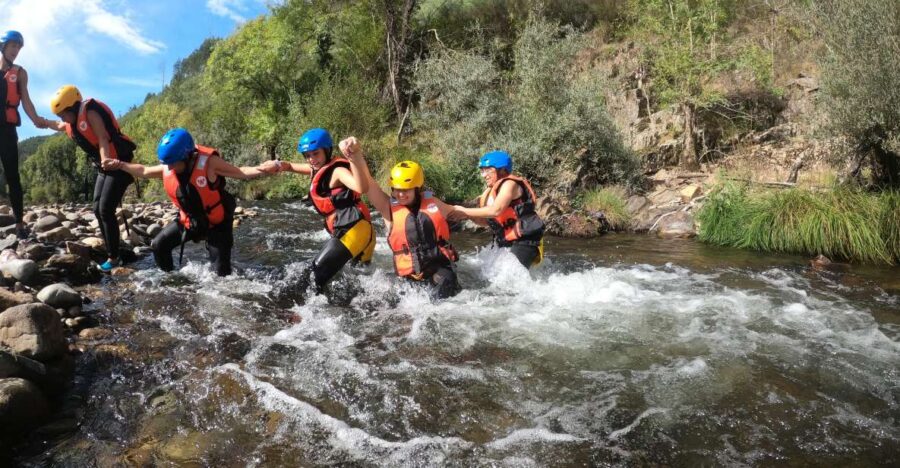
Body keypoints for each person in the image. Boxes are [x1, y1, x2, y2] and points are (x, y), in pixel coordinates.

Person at [103, 128, 270, 276]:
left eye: (173, 164)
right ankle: (170, 279)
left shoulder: (209, 163)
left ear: (188, 156)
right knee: (159, 245)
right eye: (167, 164)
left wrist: (263, 168)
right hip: (191, 221)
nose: (170, 168)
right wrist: (119, 164)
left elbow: (241, 172)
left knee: (221, 275)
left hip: (217, 224)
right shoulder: (169, 165)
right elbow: (144, 171)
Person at [261, 128, 374, 290]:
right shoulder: (319, 168)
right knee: (358, 284)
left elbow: (361, 187)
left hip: (354, 230)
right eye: (307, 156)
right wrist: (277, 165)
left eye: (316, 154)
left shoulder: (337, 171)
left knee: (314, 276)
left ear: (327, 151)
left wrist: (353, 157)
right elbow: (290, 166)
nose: (311, 159)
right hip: (359, 231)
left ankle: (302, 313)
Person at [350, 141, 460, 299]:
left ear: (417, 188)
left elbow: (457, 211)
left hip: (439, 270)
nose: (400, 195)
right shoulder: (388, 210)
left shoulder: (432, 203)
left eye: (405, 190)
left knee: (444, 288)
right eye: (397, 190)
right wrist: (355, 155)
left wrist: (491, 211)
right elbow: (368, 183)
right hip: (409, 278)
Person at [45, 85, 136, 272]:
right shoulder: (72, 121)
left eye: (63, 114)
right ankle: (114, 250)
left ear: (72, 107)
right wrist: (42, 121)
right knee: (97, 208)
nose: (62, 119)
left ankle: (114, 257)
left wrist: (105, 160)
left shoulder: (91, 112)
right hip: (105, 166)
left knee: (105, 209)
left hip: (117, 162)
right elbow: (59, 126)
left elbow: (102, 138)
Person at [0, 30, 54, 238]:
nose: (16, 51)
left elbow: (26, 101)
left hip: (7, 130)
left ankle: (19, 223)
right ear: (3, 46)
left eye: (18, 47)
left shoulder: (20, 72)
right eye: (12, 46)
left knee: (13, 176)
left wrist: (37, 120)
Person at [453, 150, 545, 268]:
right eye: (482, 171)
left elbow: (496, 210)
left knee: (508, 282)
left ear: (502, 170)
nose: (484, 175)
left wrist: (463, 210)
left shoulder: (510, 184)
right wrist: (467, 216)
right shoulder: (490, 192)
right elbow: (486, 221)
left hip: (526, 240)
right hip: (507, 241)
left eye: (488, 170)